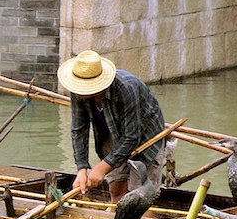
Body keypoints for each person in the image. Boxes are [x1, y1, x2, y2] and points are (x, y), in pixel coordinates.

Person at [57, 50, 166, 203]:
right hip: (110, 132)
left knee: (140, 197)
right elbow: (79, 129)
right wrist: (82, 168)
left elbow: (131, 137)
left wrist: (102, 167)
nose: (79, 91)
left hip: (145, 136)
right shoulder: (77, 91)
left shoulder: (126, 88)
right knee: (116, 188)